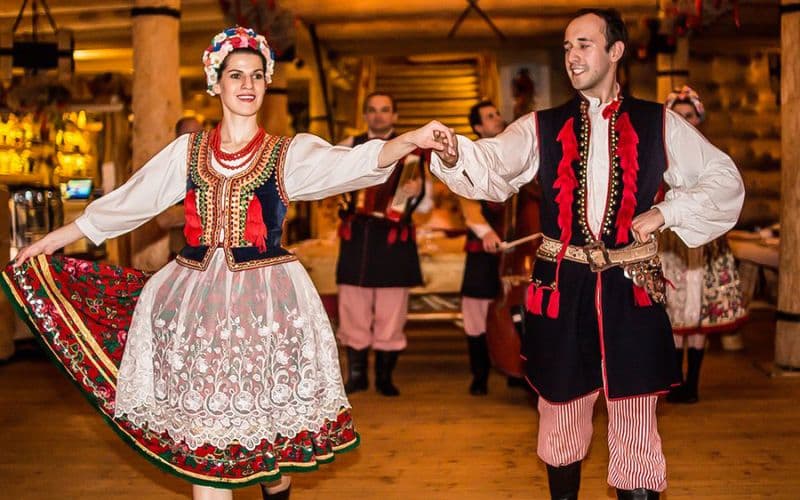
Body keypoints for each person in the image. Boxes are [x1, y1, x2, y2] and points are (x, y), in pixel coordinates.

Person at [2, 27, 452, 500]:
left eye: (256, 75)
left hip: (267, 310)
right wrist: (56, 239)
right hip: (194, 308)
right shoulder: (188, 152)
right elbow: (127, 203)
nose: (247, 84)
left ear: (267, 82)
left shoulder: (287, 152)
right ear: (214, 83)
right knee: (206, 439)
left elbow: (350, 164)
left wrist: (410, 140)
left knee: (269, 444)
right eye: (235, 74)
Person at [428, 9, 744, 499]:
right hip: (563, 285)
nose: (573, 56)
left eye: (584, 44)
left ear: (615, 51)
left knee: (636, 414)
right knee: (561, 411)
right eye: (567, 47)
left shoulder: (659, 122)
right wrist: (455, 155)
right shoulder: (542, 125)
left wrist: (668, 212)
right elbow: (495, 164)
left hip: (631, 284)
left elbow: (724, 181)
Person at [335, 92, 430, 397]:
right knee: (352, 308)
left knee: (392, 311)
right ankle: (358, 375)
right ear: (364, 115)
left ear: (395, 116)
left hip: (393, 239)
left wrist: (416, 192)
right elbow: (327, 183)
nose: (378, 116)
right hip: (358, 237)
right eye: (373, 110)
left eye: (385, 110)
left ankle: (385, 378)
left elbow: (426, 208)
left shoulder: (413, 154)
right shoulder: (348, 146)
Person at [661, 86, 748, 404]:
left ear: (699, 119)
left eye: (689, 116)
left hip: (705, 241)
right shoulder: (663, 157)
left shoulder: (711, 156)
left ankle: (692, 384)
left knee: (699, 311)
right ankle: (673, 381)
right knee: (673, 308)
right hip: (673, 240)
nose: (684, 122)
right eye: (678, 117)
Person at [459, 100, 506, 396]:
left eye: (497, 113)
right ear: (477, 127)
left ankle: (517, 368)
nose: (498, 119)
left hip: (513, 250)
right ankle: (480, 374)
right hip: (483, 247)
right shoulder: (469, 156)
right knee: (475, 312)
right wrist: (486, 232)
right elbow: (467, 203)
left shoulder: (512, 149)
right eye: (490, 117)